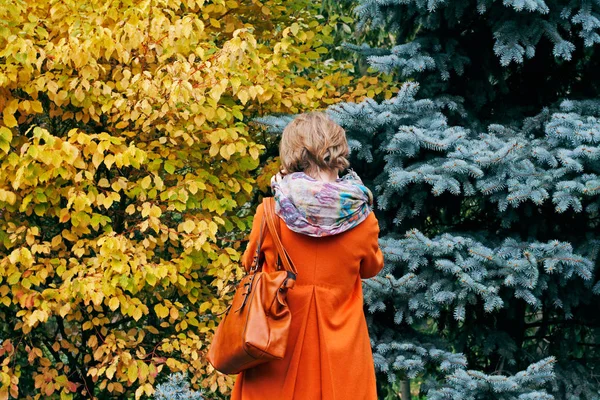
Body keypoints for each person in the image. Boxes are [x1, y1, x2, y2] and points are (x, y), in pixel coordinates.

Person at [230, 112, 384, 399]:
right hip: (341, 348)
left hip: (276, 342)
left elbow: (248, 262)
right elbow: (371, 267)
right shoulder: (363, 218)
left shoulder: (270, 211)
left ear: (293, 154)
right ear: (337, 151)